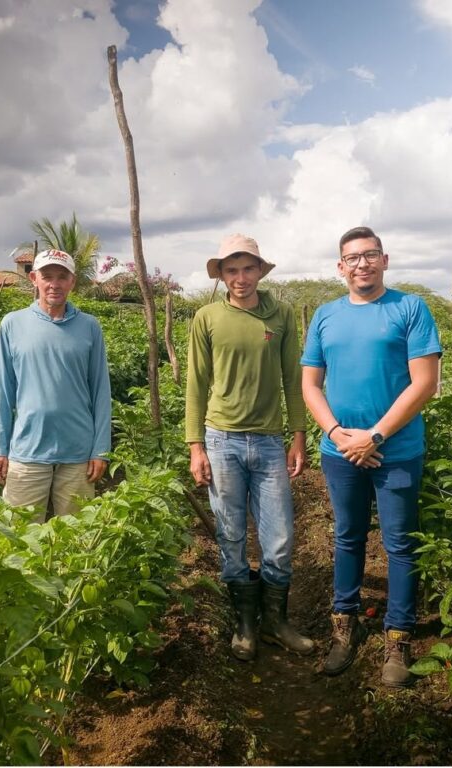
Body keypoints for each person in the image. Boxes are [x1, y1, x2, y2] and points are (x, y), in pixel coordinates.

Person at [301, 226, 442, 687]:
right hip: (339, 451)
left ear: (385, 260)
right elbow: (310, 385)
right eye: (352, 257)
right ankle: (344, 626)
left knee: (399, 542)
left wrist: (375, 437)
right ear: (340, 267)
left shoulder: (409, 308)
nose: (361, 263)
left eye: (370, 255)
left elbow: (425, 383)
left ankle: (397, 636)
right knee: (348, 536)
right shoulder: (325, 316)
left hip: (396, 450)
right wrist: (340, 434)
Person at [186, 233, 314, 661]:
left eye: (248, 268)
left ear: (260, 271)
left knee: (278, 537)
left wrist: (298, 435)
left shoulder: (281, 315)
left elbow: (293, 379)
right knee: (231, 534)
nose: (240, 277)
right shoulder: (206, 317)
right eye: (231, 270)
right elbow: (196, 385)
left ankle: (275, 622)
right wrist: (195, 446)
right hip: (221, 441)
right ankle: (244, 624)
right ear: (221, 276)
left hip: (269, 442)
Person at [0, 248, 111, 519]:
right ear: (34, 279)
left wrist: (101, 450)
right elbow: (1, 391)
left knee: (76, 538)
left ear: (72, 282)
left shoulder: (89, 327)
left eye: (62, 277)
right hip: (27, 449)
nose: (54, 284)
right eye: (47, 276)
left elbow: (101, 391)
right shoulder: (13, 324)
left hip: (78, 453)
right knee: (20, 538)